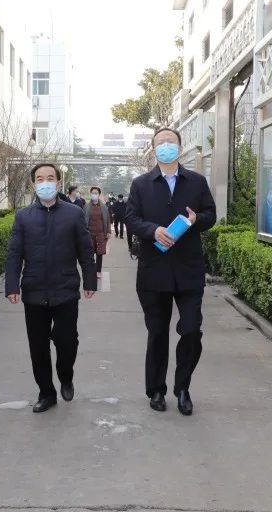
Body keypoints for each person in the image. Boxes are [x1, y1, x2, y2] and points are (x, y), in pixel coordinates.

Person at [124, 128, 216, 416]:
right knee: (158, 333)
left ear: (180, 146)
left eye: (171, 142)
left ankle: (183, 387)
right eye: (161, 143)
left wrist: (196, 219)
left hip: (189, 270)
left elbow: (211, 215)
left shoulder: (197, 182)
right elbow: (131, 218)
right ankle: (156, 390)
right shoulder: (141, 184)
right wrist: (154, 231)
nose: (166, 146)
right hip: (154, 271)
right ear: (154, 150)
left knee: (191, 330)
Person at [5, 164, 98, 413]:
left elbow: (85, 250)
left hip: (65, 289)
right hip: (34, 291)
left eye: (49, 178)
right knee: (38, 347)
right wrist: (12, 285)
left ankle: (66, 375)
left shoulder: (73, 214)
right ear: (33, 184)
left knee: (67, 340)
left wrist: (90, 281)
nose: (44, 183)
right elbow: (14, 254)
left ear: (58, 183)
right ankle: (46, 393)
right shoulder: (24, 216)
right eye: (39, 179)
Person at [86, 186, 111, 278]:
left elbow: (108, 219)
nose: (94, 195)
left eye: (96, 193)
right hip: (89, 233)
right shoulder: (86, 206)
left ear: (99, 194)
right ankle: (91, 270)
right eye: (93, 193)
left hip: (100, 233)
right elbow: (83, 220)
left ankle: (98, 271)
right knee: (90, 253)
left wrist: (108, 231)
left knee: (99, 253)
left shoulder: (103, 207)